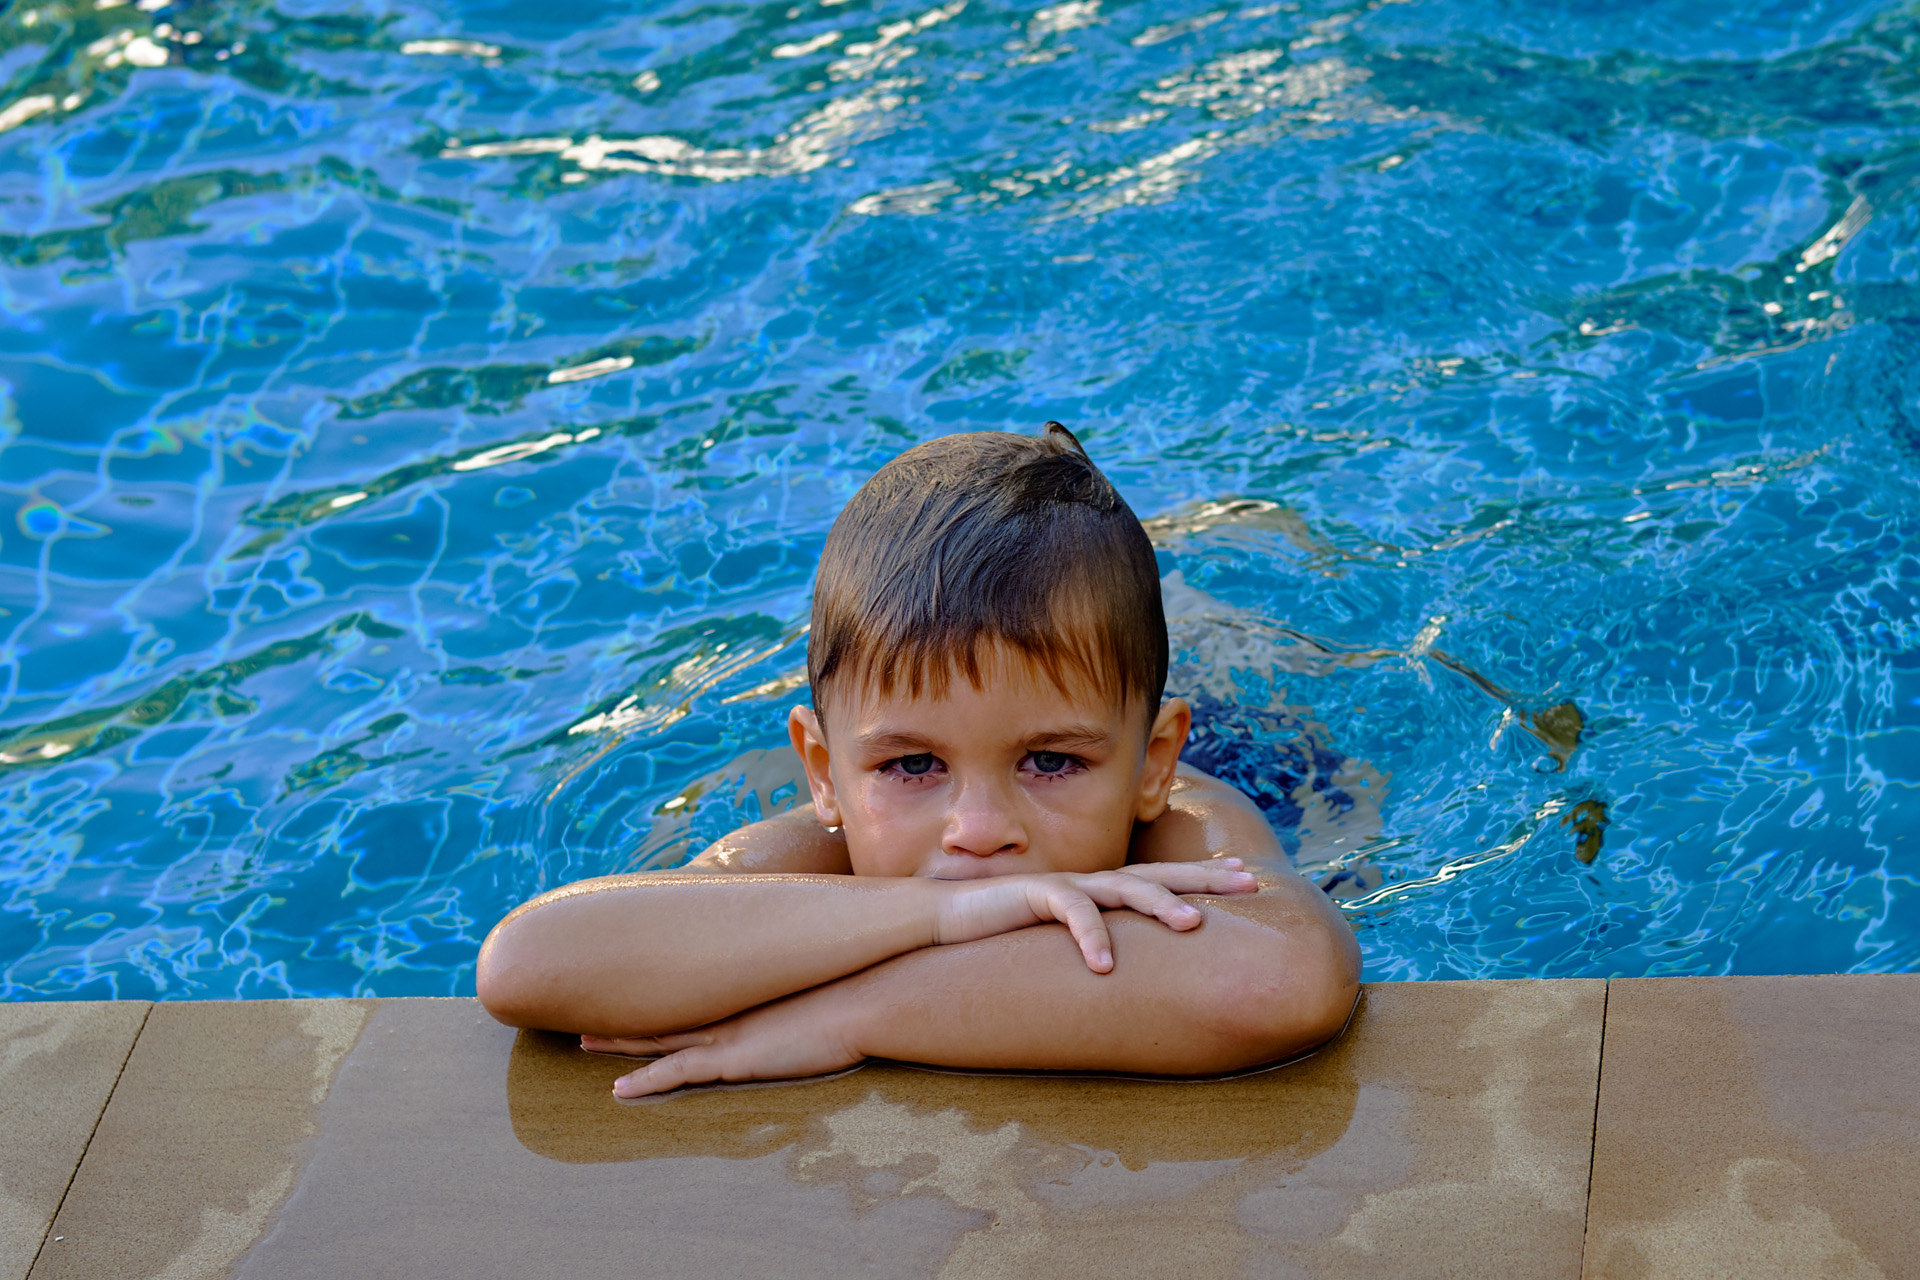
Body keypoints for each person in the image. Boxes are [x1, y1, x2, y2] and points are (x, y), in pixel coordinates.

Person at [476, 422, 1361, 1098]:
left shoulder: (1185, 821)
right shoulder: (809, 850)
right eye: (909, 767)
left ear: (1150, 764)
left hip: (1263, 756)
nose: (977, 833)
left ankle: (1217, 554)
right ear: (823, 775)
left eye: (1051, 762)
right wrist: (938, 920)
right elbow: (530, 962)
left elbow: (1280, 976)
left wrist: (848, 1013)